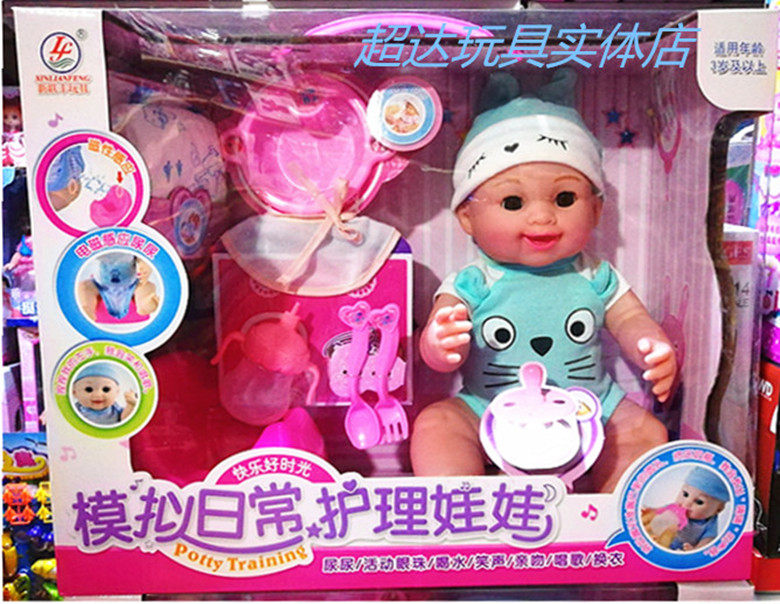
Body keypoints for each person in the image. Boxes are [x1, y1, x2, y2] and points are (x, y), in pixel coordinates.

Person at [410, 71, 676, 492]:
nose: (541, 217)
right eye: (513, 202)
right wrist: (439, 344)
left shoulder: (595, 274)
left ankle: (603, 515)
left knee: (645, 432)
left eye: (564, 198)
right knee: (436, 425)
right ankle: (468, 511)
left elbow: (629, 319)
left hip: (590, 408)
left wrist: (652, 346)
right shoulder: (474, 282)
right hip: (489, 407)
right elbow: (438, 352)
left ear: (596, 209)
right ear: (467, 217)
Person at [669, 466, 729, 551]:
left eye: (699, 502)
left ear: (718, 509)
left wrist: (696, 550)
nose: (686, 504)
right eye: (685, 494)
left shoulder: (709, 523)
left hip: (686, 553)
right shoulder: (673, 509)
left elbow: (708, 540)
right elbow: (655, 517)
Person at [72, 362, 137, 425]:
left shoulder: (115, 410)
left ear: (117, 392)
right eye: (88, 389)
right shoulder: (74, 410)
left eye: (106, 389)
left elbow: (125, 420)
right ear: (75, 393)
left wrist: (130, 405)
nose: (97, 395)